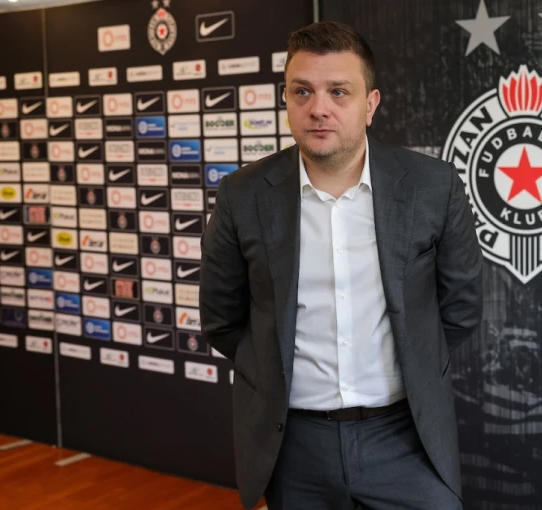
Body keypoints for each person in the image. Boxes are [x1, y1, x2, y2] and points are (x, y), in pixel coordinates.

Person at [199, 20, 483, 510]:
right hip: (294, 445)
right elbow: (223, 319)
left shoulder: (433, 186)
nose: (318, 108)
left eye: (338, 92)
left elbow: (460, 308)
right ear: (286, 99)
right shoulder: (241, 195)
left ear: (370, 104)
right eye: (302, 91)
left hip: (407, 437)